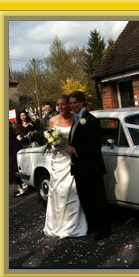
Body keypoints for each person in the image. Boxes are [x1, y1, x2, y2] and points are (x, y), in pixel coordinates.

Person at [65, 91, 111, 241]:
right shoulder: (76, 120)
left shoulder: (91, 120)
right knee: (85, 198)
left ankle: (105, 228)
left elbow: (96, 145)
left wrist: (76, 149)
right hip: (79, 166)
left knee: (97, 198)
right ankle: (93, 225)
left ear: (82, 102)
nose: (72, 105)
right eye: (70, 103)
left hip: (91, 167)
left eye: (75, 103)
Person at [43, 95, 88, 238]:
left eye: (63, 104)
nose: (61, 107)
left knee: (72, 191)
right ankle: (57, 224)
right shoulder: (52, 120)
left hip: (71, 159)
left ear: (68, 105)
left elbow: (80, 138)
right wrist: (52, 142)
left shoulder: (76, 118)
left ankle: (72, 224)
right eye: (58, 105)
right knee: (57, 192)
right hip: (57, 158)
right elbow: (49, 139)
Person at [9, 123, 26, 197]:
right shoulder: (15, 139)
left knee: (15, 175)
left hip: (12, 160)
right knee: (16, 175)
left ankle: (21, 190)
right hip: (17, 159)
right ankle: (20, 189)